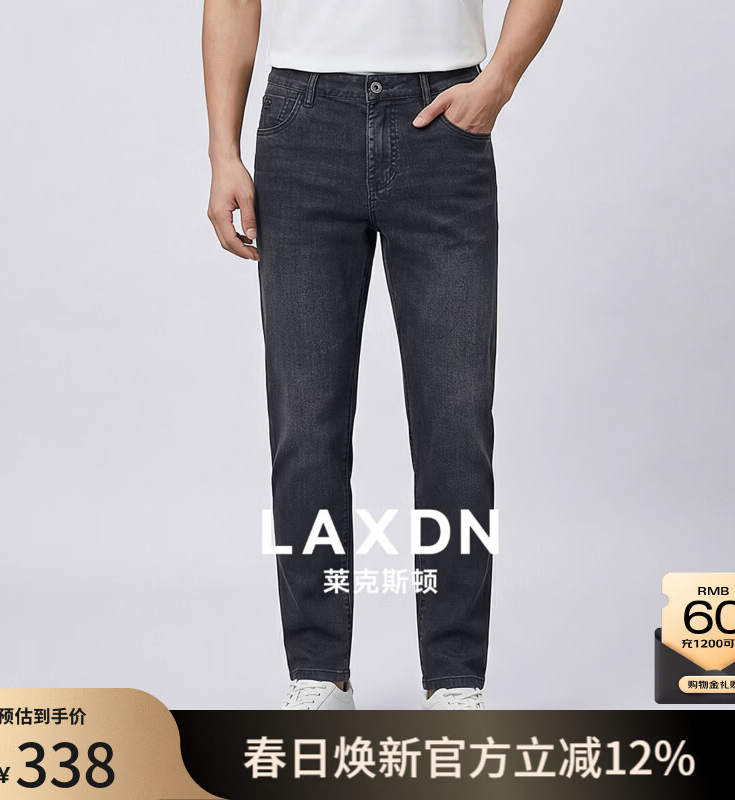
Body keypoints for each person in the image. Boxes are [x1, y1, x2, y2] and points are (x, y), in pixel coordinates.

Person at [202, 0, 563, 710]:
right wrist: (222, 150)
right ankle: (318, 674)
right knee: (306, 422)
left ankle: (455, 681)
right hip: (303, 122)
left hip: (444, 120)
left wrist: (499, 79)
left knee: (456, 420)